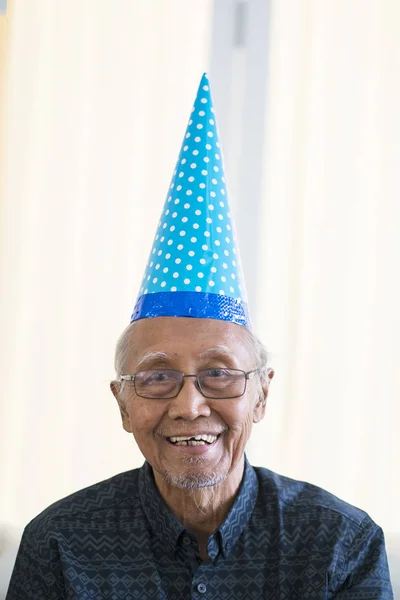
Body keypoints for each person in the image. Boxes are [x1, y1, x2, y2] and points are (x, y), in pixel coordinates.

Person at [6, 74, 393, 599]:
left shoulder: (340, 545)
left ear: (261, 395)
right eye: (158, 376)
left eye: (219, 374)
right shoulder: (59, 543)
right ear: (122, 402)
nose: (190, 406)